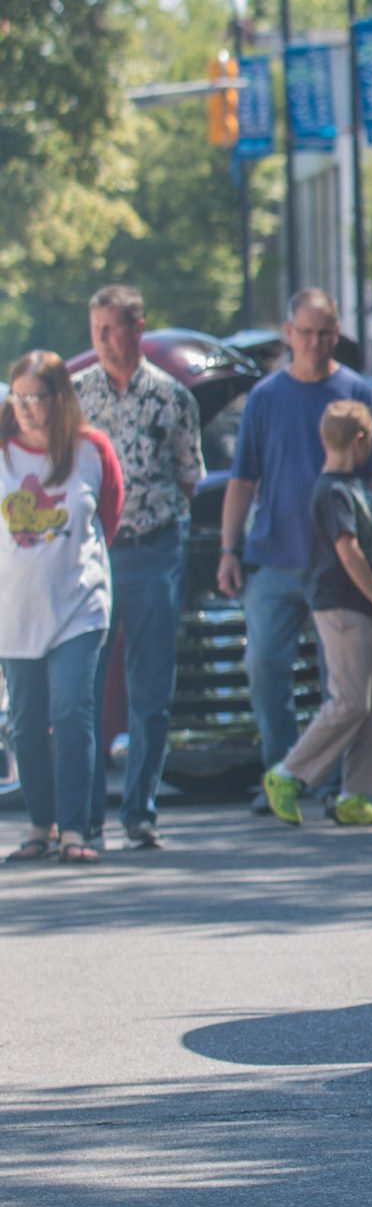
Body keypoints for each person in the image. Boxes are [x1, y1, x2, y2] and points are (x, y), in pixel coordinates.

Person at [217, 290, 372, 797]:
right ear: (288, 332)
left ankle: (328, 784)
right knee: (264, 669)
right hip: (274, 557)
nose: (317, 343)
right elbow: (242, 479)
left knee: (343, 686)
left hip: (342, 568)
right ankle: (283, 772)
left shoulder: (360, 395)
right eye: (306, 332)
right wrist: (227, 549)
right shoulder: (265, 397)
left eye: (326, 333)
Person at [75, 285, 201, 851]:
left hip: (155, 549)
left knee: (150, 687)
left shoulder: (172, 398)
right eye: (95, 329)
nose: (103, 340)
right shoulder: (76, 398)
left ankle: (140, 812)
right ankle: (86, 815)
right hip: (94, 553)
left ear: (137, 328)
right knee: (86, 683)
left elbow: (188, 476)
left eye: (112, 328)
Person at [1, 351, 123, 866]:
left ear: (60, 399)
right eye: (19, 396)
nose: (27, 407)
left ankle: (76, 829)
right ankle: (40, 823)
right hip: (13, 610)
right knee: (26, 722)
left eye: (38, 397)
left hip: (78, 604)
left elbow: (109, 519)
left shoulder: (91, 450)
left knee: (71, 711)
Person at [262, 401, 372, 828]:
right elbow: (347, 549)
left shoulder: (354, 486)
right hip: (344, 606)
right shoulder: (334, 490)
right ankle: (288, 774)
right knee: (349, 702)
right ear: (359, 440)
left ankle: (356, 793)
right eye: (370, 440)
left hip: (368, 608)